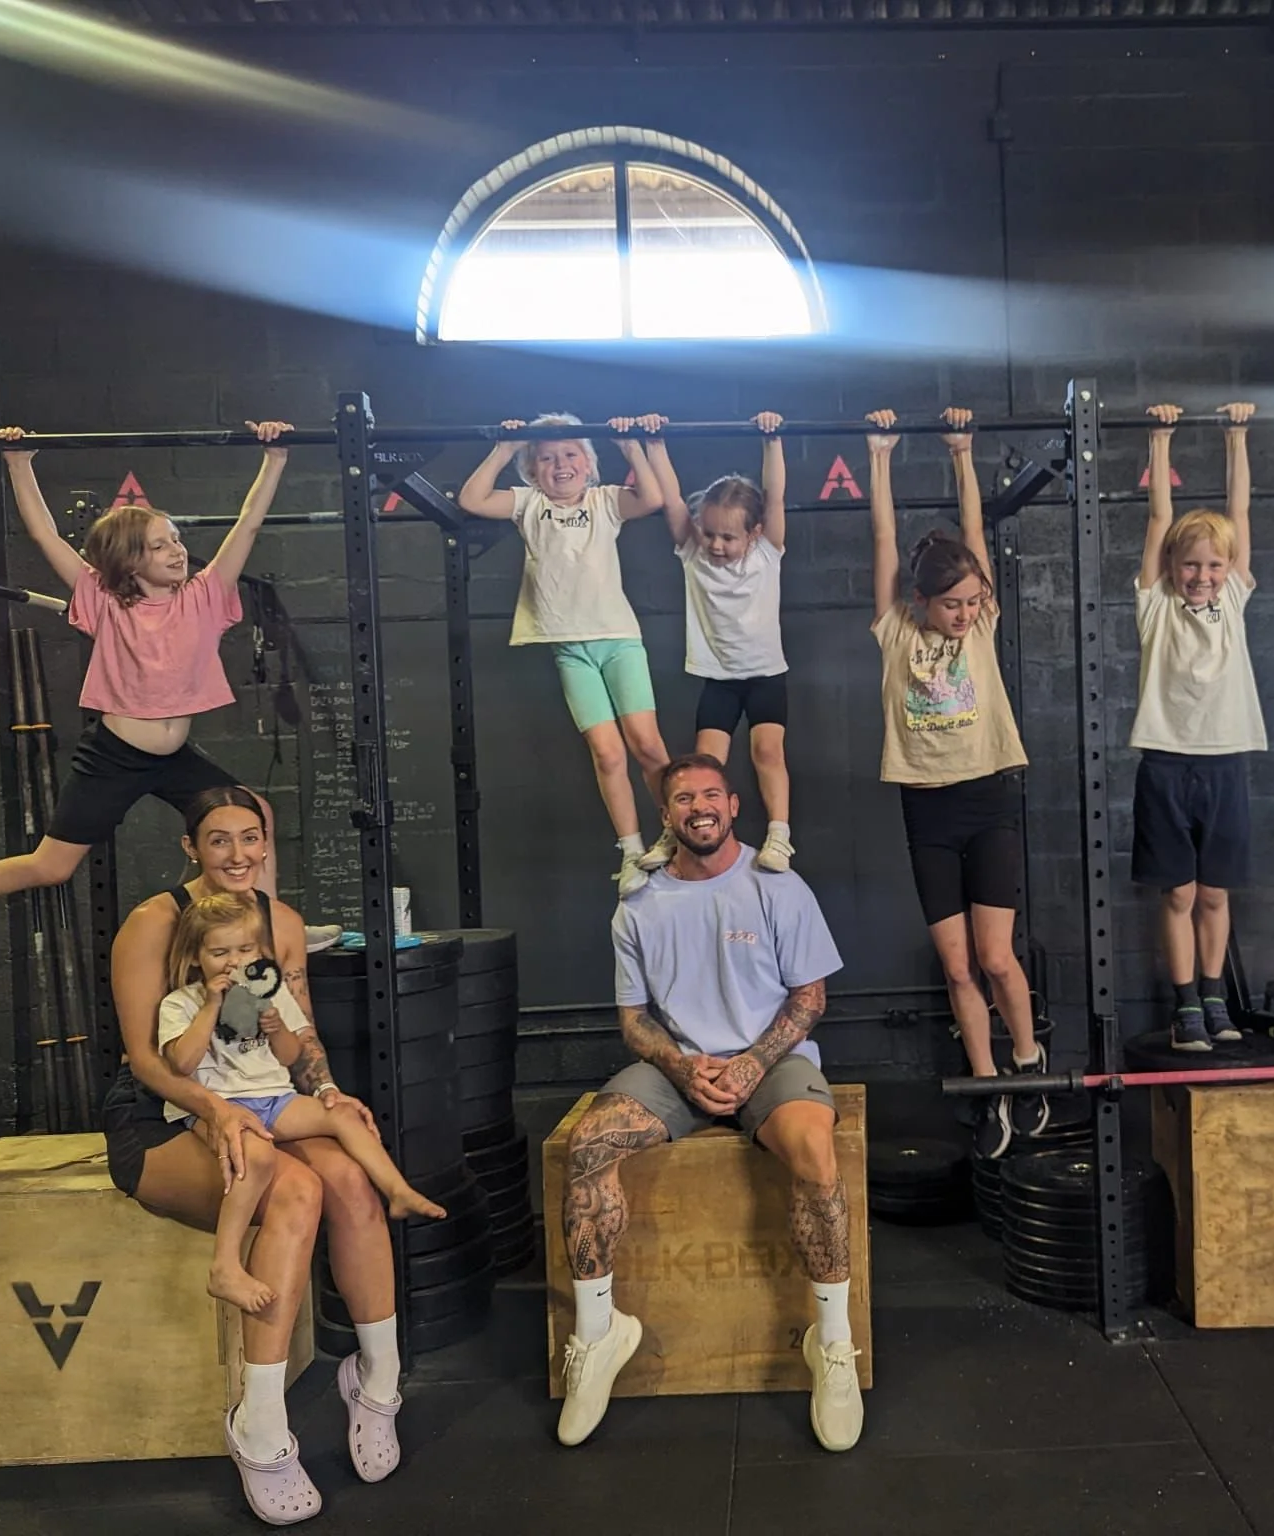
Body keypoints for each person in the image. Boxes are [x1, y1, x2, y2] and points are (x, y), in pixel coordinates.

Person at [0, 423, 301, 988]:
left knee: (253, 812)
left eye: (176, 539)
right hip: (116, 756)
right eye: (159, 544)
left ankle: (265, 933)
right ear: (126, 563)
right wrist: (19, 463)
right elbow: (47, 537)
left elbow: (249, 525)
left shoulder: (207, 595)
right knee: (50, 867)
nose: (177, 550)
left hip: (174, 756)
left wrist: (276, 458)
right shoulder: (103, 601)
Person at [103, 786, 407, 1523]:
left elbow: (298, 1038)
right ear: (191, 848)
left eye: (251, 839)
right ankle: (261, 1425)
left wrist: (330, 1091)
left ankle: (378, 1384)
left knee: (352, 1182)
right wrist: (218, 1112)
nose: (238, 856)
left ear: (267, 843)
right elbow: (149, 1060)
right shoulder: (153, 922)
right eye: (218, 841)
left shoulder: (284, 924)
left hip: (260, 1105)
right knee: (300, 1192)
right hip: (167, 1114)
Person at [555, 753, 860, 1452]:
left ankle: (833, 1346)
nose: (700, 807)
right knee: (587, 1146)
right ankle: (598, 1337)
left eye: (712, 795)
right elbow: (633, 1021)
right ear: (665, 815)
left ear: (733, 805)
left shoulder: (777, 886)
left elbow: (810, 997)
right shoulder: (638, 903)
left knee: (816, 1152)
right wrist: (682, 1065)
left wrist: (753, 1063)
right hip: (678, 1066)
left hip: (772, 1060)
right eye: (684, 797)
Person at [864, 407, 1047, 1159]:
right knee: (956, 962)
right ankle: (986, 1085)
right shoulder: (897, 629)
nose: (967, 615)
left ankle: (1028, 1063)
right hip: (926, 806)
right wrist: (879, 456)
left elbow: (974, 538)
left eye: (974, 602)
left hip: (989, 795)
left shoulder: (983, 620)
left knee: (998, 957)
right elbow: (883, 541)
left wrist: (962, 454)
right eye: (953, 605)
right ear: (920, 603)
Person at [158, 889, 446, 1314]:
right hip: (219, 1107)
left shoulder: (268, 992)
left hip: (275, 1099)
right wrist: (212, 1006)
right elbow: (181, 1063)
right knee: (255, 1157)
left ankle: (396, 1189)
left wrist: (275, 1029)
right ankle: (224, 1265)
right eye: (220, 952)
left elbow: (292, 1058)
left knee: (344, 1115)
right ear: (196, 956)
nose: (234, 961)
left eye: (244, 949)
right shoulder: (181, 1003)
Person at [456, 413, 671, 896]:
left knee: (648, 745)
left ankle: (672, 834)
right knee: (607, 753)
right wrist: (505, 448)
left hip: (618, 639)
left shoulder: (603, 501)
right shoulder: (528, 504)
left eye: (571, 454)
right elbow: (470, 500)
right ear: (533, 471)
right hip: (570, 649)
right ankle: (632, 850)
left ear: (589, 463)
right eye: (547, 458)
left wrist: (631, 447)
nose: (561, 465)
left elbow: (653, 498)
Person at [1131, 402, 1262, 1050]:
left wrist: (1236, 438)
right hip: (1166, 761)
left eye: (1214, 567)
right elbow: (1160, 517)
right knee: (1178, 894)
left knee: (1214, 894)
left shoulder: (1233, 596)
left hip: (1224, 759)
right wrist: (1162, 439)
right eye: (1191, 566)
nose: (1203, 577)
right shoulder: (1156, 605)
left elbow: (1239, 519)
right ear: (1172, 569)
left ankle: (1215, 997)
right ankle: (1186, 1004)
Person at [636, 411, 796, 874]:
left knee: (768, 752)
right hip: (720, 678)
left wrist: (773, 439)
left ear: (754, 533)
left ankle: (779, 835)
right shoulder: (693, 552)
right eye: (710, 533)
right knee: (703, 769)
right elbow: (671, 502)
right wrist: (656, 442)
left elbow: (776, 495)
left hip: (766, 673)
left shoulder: (768, 553)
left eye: (728, 537)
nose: (716, 544)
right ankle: (673, 832)